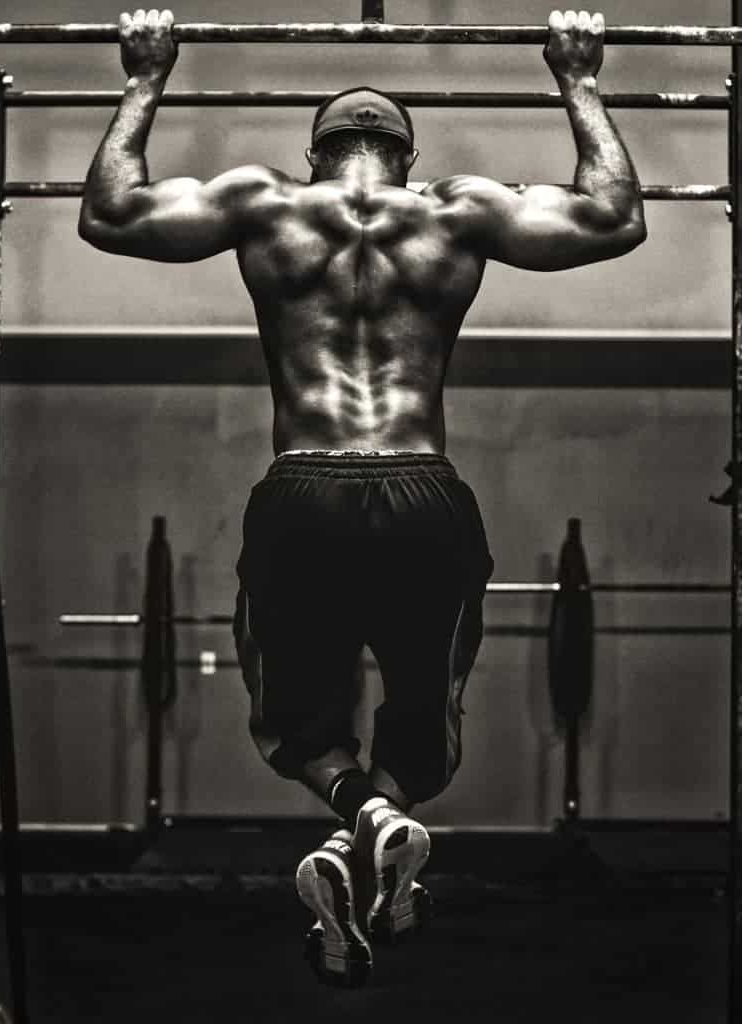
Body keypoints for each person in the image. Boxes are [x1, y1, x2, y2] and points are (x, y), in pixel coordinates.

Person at [79, 7, 646, 987]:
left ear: (315, 153)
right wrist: (579, 79)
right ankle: (382, 822)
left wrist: (144, 75)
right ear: (405, 152)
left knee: (295, 726)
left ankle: (360, 818)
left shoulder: (264, 204)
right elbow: (613, 217)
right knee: (427, 726)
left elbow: (112, 213)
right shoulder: (459, 209)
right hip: (425, 491)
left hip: (303, 492)